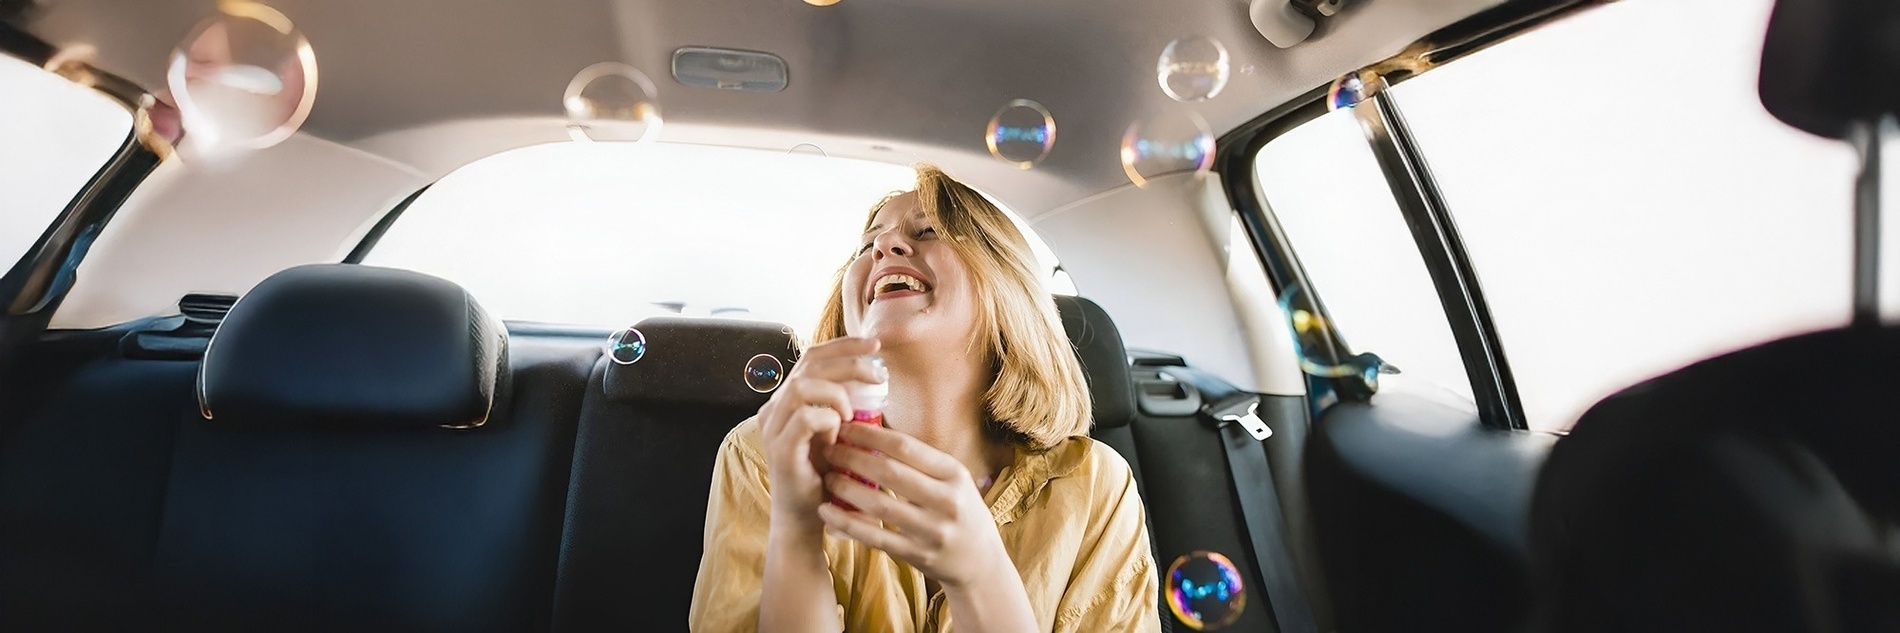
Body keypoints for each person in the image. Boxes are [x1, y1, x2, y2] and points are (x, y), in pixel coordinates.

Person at [689, 165, 1159, 632]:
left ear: (1007, 289)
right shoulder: (769, 454)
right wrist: (796, 529)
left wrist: (981, 577)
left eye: (929, 230)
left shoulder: (1094, 485)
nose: (883, 247)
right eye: (867, 245)